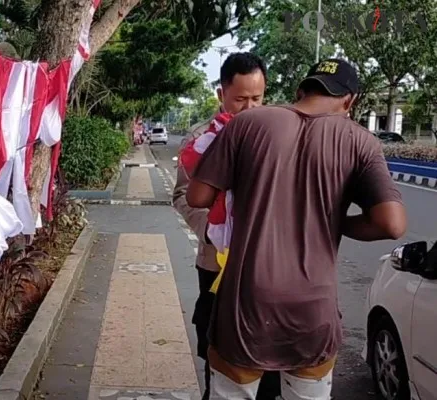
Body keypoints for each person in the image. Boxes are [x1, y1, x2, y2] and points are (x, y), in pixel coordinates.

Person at [185, 58, 407, 399]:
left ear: (301, 90)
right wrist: (334, 220)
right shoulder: (361, 142)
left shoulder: (247, 124)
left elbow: (197, 196)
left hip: (245, 304)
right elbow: (392, 224)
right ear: (351, 101)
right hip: (312, 311)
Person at [172, 52, 280, 400]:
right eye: (240, 99)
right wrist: (213, 230)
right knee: (218, 351)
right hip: (216, 263)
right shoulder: (203, 139)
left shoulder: (279, 133)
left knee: (267, 355)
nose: (250, 108)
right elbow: (182, 196)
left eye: (257, 98)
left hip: (267, 266)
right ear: (221, 94)